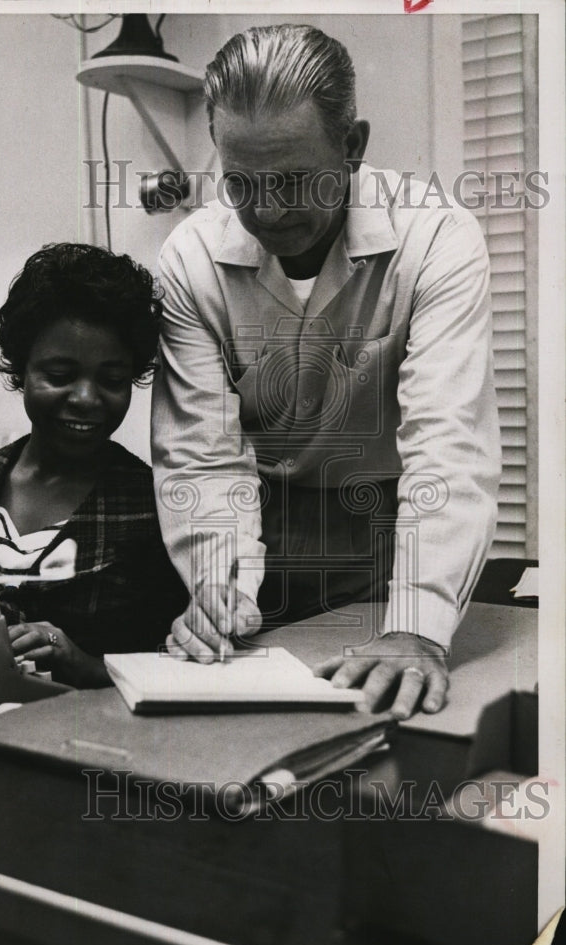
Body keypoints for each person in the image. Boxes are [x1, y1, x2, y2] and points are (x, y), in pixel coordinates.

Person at [151, 24, 501, 718]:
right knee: (252, 734)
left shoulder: (437, 237)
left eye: (292, 181)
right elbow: (202, 459)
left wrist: (415, 626)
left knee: (397, 729)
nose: (269, 212)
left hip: (393, 529)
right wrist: (221, 590)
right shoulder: (189, 260)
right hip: (260, 524)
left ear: (352, 145)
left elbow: (447, 445)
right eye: (242, 184)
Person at [0, 243, 187, 686]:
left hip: (103, 742)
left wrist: (83, 663)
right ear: (21, 369)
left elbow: (178, 671)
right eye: (60, 375)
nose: (86, 399)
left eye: (111, 380)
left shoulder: (155, 507)